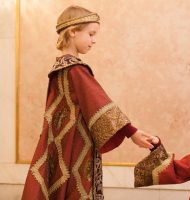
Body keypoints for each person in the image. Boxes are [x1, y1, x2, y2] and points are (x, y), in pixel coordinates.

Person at [22, 5, 156, 200]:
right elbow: (99, 103)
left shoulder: (59, 67)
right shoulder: (75, 69)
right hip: (74, 148)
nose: (94, 40)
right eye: (91, 34)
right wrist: (131, 132)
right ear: (73, 31)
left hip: (61, 144)